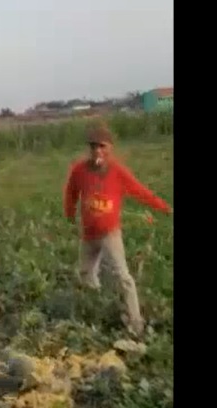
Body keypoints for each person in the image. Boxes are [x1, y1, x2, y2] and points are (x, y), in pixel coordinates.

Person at [63, 123, 172, 336]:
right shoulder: (79, 170)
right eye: (94, 146)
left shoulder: (117, 172)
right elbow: (71, 192)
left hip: (109, 233)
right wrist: (69, 213)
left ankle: (136, 322)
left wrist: (164, 207)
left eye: (102, 146)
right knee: (85, 274)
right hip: (89, 234)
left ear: (110, 148)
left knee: (123, 277)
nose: (97, 151)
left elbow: (141, 191)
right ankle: (98, 309)